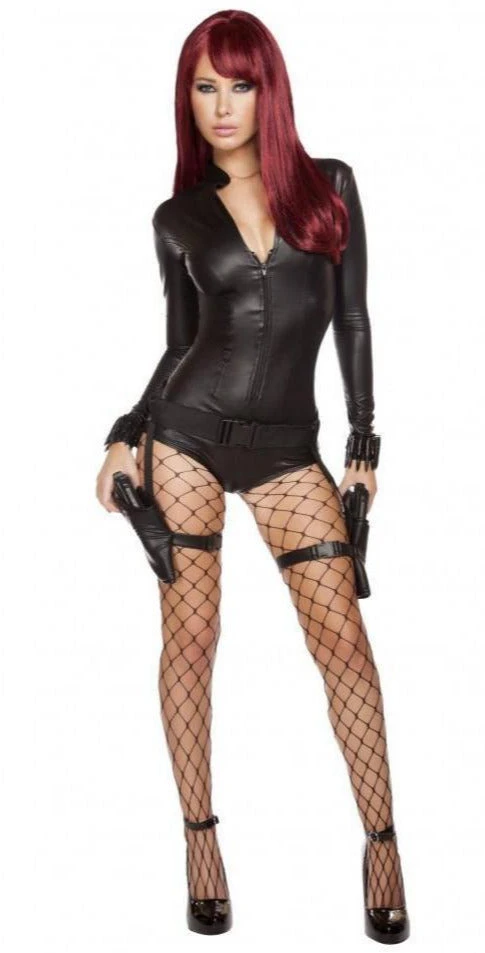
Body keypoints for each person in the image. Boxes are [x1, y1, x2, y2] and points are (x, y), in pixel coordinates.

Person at [96, 9, 410, 943]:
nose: (223, 104)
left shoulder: (329, 184)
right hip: (186, 436)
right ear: (186, 99)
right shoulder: (177, 217)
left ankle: (383, 844)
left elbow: (352, 319)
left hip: (286, 447)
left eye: (240, 84)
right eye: (205, 86)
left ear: (269, 91)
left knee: (342, 641)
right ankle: (200, 841)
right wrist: (124, 434)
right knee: (192, 637)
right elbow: (179, 345)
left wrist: (363, 443)